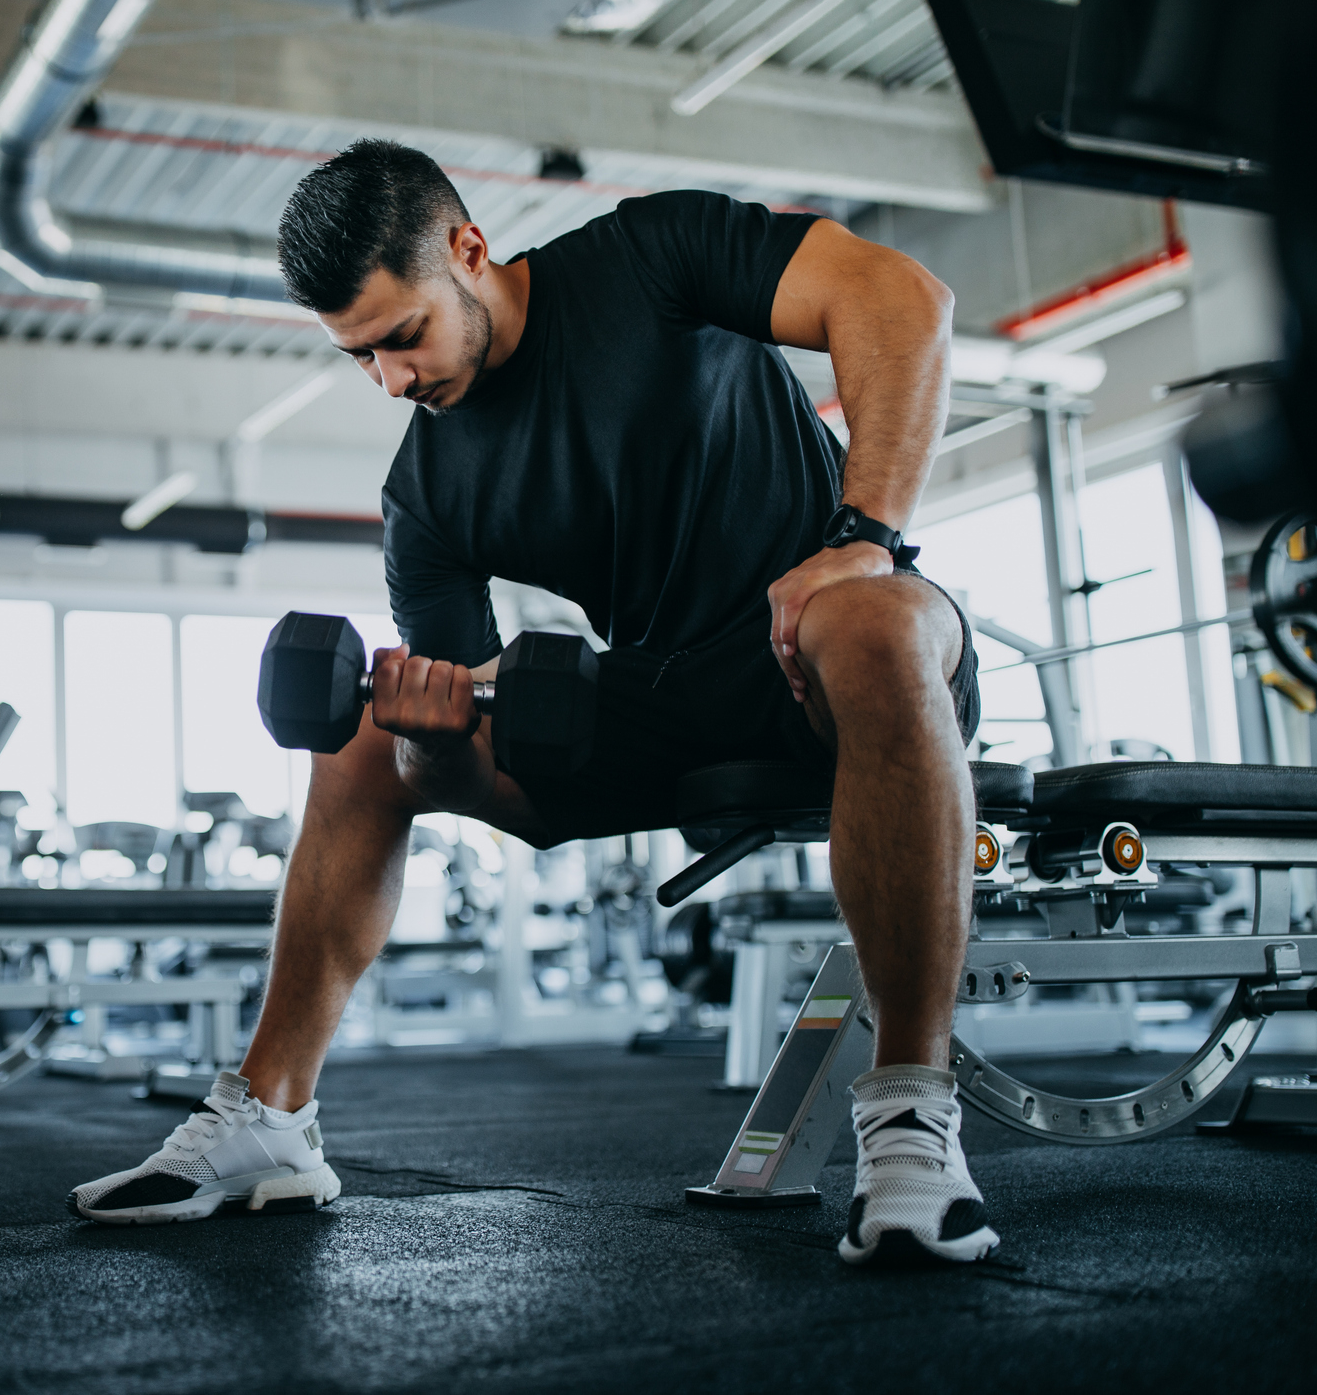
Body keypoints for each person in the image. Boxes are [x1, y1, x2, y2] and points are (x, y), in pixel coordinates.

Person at [69, 140, 995, 1266]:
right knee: (366, 734)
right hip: (659, 703)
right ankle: (271, 1118)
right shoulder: (427, 494)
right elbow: (466, 761)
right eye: (360, 358)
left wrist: (862, 543)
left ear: (467, 249)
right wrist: (428, 737)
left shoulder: (651, 256)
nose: (393, 383)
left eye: (401, 336)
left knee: (877, 616)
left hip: (830, 661)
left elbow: (903, 296)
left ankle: (908, 1120)